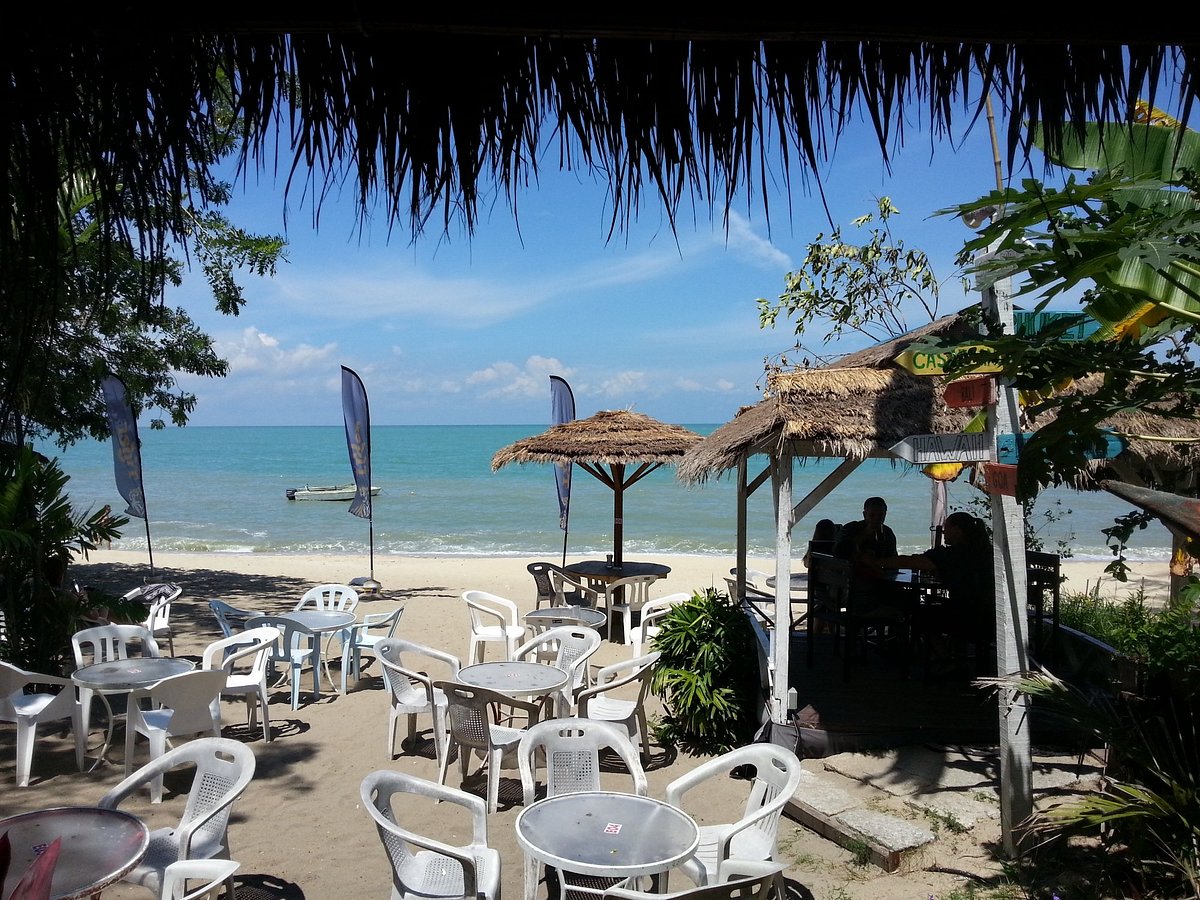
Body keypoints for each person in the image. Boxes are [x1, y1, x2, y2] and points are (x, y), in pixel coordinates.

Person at [873, 511, 995, 671]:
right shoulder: (987, 551)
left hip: (968, 618)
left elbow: (912, 562)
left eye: (946, 528)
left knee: (919, 615)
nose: (943, 532)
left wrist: (876, 562)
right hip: (992, 617)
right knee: (943, 608)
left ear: (958, 530)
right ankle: (953, 656)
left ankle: (946, 659)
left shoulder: (951, 554)